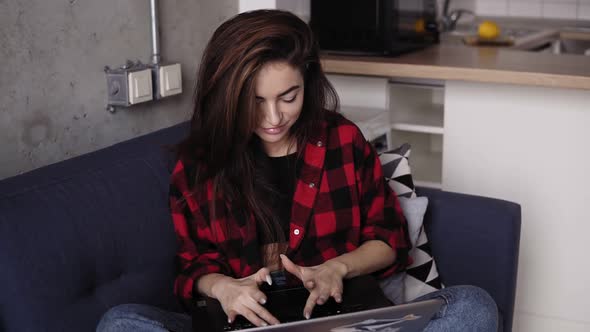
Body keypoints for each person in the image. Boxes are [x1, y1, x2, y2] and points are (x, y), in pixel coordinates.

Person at [97, 9, 498, 332]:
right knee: (121, 323)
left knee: (473, 305)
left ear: (308, 82)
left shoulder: (341, 139)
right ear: (226, 95)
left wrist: (336, 268)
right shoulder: (201, 162)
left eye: (288, 97)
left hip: (345, 323)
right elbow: (193, 267)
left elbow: (389, 240)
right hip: (244, 326)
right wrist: (223, 287)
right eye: (254, 102)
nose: (273, 118)